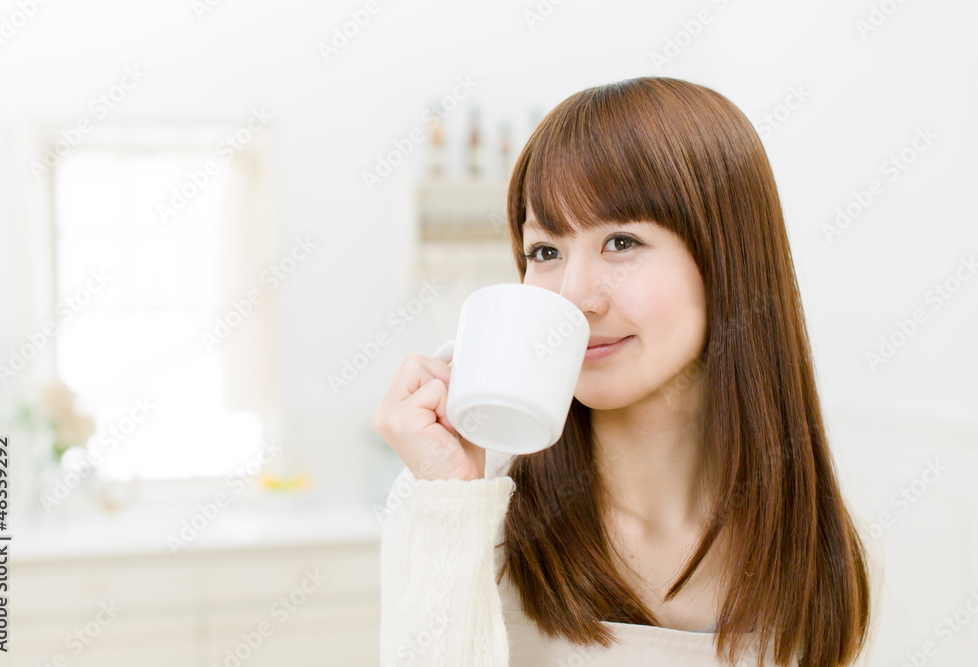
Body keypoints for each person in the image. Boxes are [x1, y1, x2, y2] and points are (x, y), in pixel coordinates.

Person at [372, 76, 885, 666]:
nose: (574, 296)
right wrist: (450, 502)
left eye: (621, 241)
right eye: (545, 251)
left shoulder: (816, 541)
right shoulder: (471, 507)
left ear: (728, 262)